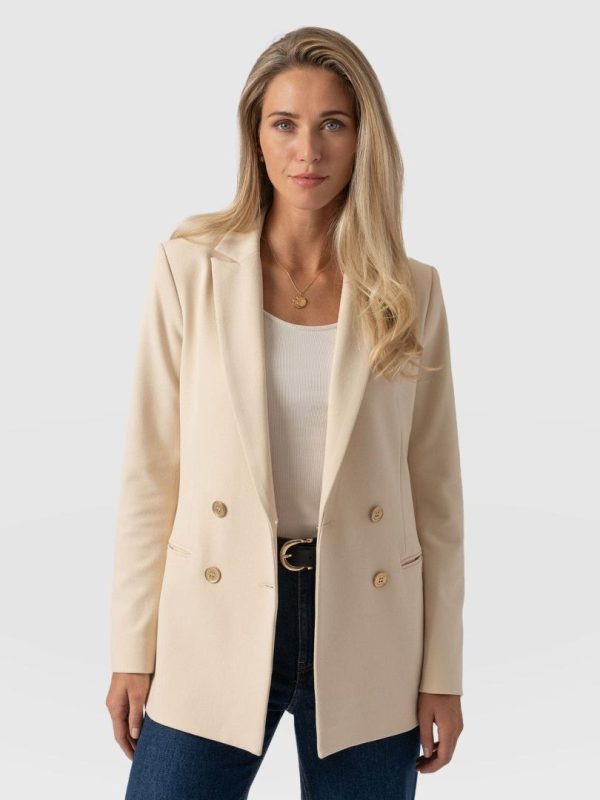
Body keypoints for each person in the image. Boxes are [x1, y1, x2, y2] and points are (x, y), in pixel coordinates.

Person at [105, 25, 465, 799]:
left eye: (333, 123)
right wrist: (132, 648)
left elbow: (436, 496)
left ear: (363, 139)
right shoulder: (189, 269)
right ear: (256, 138)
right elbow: (150, 473)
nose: (309, 150)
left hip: (368, 621)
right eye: (285, 124)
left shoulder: (411, 290)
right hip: (215, 611)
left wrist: (442, 670)